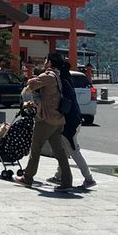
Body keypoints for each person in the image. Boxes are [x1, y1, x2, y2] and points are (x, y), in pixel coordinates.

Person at [15, 53, 71, 189]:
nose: (45, 62)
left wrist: (35, 77)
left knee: (36, 148)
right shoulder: (59, 76)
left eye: (46, 60)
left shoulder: (49, 76)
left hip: (46, 119)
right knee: (60, 152)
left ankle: (27, 177)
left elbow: (31, 84)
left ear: (50, 63)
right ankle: (67, 181)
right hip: (58, 119)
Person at [48, 57, 96, 189]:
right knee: (64, 150)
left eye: (48, 62)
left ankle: (89, 178)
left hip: (70, 123)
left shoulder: (61, 81)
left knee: (74, 151)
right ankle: (59, 175)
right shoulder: (66, 79)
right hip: (74, 120)